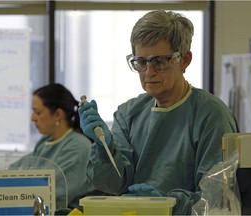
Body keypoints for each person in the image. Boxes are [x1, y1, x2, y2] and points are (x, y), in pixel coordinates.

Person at [78, 10, 239, 215]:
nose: (149, 72)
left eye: (159, 61)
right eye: (141, 62)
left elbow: (217, 200)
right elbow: (112, 184)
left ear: (185, 60)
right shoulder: (129, 113)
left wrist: (168, 204)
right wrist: (104, 147)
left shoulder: (211, 116)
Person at [9, 83, 103, 211]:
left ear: (58, 114)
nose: (32, 118)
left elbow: (52, 193)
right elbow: (16, 171)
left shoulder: (78, 147)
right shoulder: (44, 142)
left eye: (37, 112)